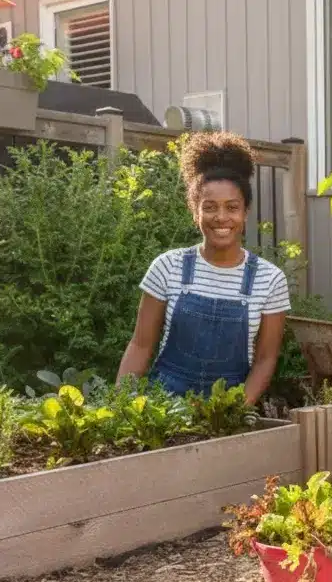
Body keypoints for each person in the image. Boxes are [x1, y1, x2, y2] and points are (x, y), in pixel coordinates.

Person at [116, 131, 291, 403]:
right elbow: (140, 345)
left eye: (232, 207)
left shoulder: (270, 279)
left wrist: (234, 411)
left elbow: (265, 360)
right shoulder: (167, 267)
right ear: (194, 211)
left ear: (245, 212)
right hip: (164, 409)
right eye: (209, 207)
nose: (221, 217)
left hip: (228, 409)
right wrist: (120, 404)